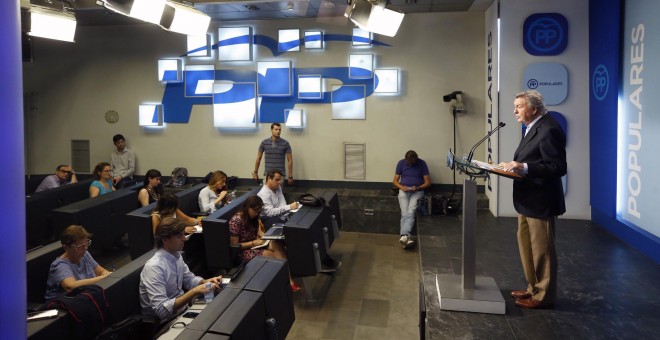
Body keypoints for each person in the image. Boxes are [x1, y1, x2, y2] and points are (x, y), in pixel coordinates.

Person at [499, 90, 567, 309]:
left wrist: (523, 166)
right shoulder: (533, 127)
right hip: (527, 200)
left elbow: (557, 167)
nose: (515, 110)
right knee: (528, 248)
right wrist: (514, 165)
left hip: (541, 201)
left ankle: (544, 296)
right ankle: (532, 289)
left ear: (533, 108)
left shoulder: (549, 129)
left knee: (542, 252)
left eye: (519, 106)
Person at [139, 217, 222, 322]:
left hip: (182, 312)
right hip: (161, 324)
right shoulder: (154, 267)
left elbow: (189, 279)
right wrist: (194, 291)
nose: (185, 238)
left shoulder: (176, 255)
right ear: (165, 239)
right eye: (179, 236)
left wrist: (204, 282)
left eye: (184, 234)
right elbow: (161, 311)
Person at [257, 169, 341, 273]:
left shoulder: (277, 188)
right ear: (269, 179)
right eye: (277, 180)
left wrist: (291, 211)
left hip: (284, 217)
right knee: (301, 236)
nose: (279, 182)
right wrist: (289, 208)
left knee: (310, 230)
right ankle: (317, 263)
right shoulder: (263, 194)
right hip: (272, 222)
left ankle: (322, 259)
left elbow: (283, 205)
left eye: (280, 180)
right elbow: (270, 213)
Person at [229, 195, 301, 292]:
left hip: (256, 244)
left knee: (277, 243)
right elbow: (235, 246)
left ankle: (288, 281)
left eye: (258, 211)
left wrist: (267, 237)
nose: (256, 213)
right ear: (247, 207)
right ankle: (284, 283)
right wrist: (254, 243)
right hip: (244, 251)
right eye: (255, 210)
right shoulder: (236, 221)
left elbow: (259, 233)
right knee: (273, 255)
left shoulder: (252, 217)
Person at [44, 225, 112, 301]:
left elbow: (101, 271)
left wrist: (106, 275)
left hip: (84, 298)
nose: (85, 248)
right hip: (63, 307)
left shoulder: (84, 254)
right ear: (66, 248)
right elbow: (71, 286)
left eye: (87, 243)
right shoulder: (60, 265)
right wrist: (103, 278)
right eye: (80, 246)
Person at [393, 150, 431, 249]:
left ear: (416, 159)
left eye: (413, 162)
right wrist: (402, 187)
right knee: (404, 213)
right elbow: (395, 181)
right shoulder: (401, 163)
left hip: (417, 192)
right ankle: (406, 238)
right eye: (409, 163)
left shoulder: (422, 164)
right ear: (406, 160)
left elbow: (427, 182)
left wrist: (418, 188)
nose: (411, 164)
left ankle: (404, 236)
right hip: (404, 191)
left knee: (410, 212)